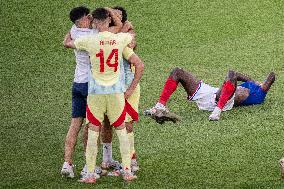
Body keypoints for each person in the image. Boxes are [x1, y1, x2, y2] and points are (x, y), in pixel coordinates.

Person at [63, 7, 144, 184]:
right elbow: (127, 32)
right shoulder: (119, 38)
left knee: (93, 131)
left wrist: (72, 31)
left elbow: (67, 43)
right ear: (108, 21)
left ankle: (90, 174)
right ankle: (128, 170)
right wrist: (117, 19)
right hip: (115, 93)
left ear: (94, 22)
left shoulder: (89, 40)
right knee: (121, 130)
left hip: (96, 94)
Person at [144, 67, 275, 123]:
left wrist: (261, 84)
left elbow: (272, 76)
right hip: (211, 92)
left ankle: (217, 112)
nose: (264, 83)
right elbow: (237, 74)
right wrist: (252, 81)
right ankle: (160, 106)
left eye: (265, 84)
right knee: (177, 72)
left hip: (224, 102)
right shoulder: (252, 85)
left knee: (231, 74)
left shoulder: (260, 95)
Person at [100, 6, 140, 175]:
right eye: (113, 15)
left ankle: (132, 161)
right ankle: (107, 159)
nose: (116, 17)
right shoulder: (103, 36)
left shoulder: (128, 34)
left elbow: (130, 44)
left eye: (120, 16)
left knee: (127, 124)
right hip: (109, 87)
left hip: (127, 86)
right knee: (107, 123)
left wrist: (125, 29)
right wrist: (124, 28)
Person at [60, 6, 97, 178]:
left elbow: (65, 41)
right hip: (91, 85)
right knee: (90, 126)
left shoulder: (74, 31)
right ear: (82, 19)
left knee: (75, 125)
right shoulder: (92, 36)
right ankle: (87, 166)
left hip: (77, 84)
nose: (90, 19)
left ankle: (67, 164)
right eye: (87, 17)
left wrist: (72, 31)